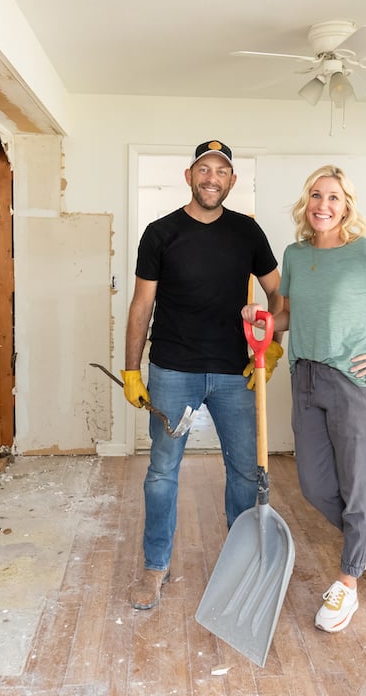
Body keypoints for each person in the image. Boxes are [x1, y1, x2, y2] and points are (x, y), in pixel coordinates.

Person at [242, 164, 366, 632]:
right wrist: (262, 319)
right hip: (306, 379)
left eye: (333, 197)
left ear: (346, 205)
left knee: (358, 486)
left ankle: (347, 583)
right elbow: (287, 316)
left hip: (355, 384)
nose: (323, 205)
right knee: (314, 485)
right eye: (315, 195)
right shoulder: (294, 255)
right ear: (305, 203)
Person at [122, 139, 283, 611]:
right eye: (204, 169)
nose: (212, 178)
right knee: (161, 473)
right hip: (174, 370)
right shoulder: (160, 232)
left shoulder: (248, 234)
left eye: (222, 171)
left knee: (244, 475)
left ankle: (243, 565)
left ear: (233, 181)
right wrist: (132, 370)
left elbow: (279, 298)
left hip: (235, 373)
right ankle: (155, 567)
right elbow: (141, 305)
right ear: (189, 176)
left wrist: (272, 346)